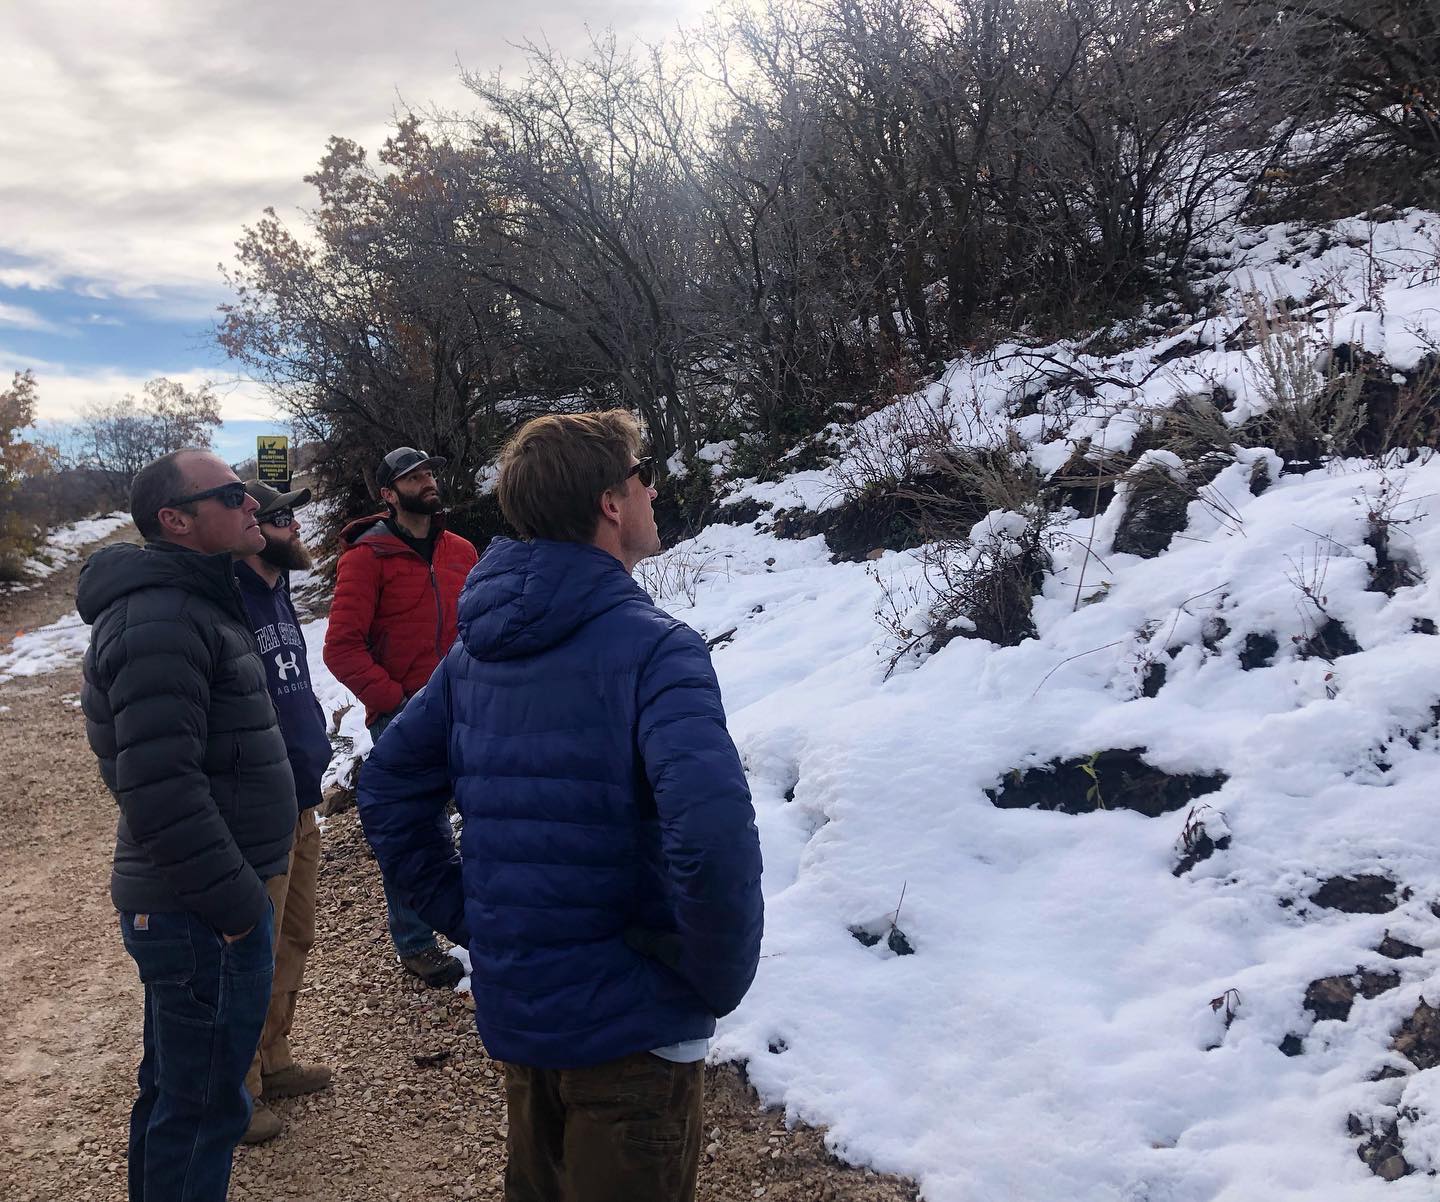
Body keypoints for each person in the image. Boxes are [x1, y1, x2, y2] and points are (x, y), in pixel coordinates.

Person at [357, 410, 764, 1202]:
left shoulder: (474, 654)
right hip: (634, 1026)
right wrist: (713, 981)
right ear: (611, 503)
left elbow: (386, 788)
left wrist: (480, 917)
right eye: (642, 474)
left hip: (526, 1014)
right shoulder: (657, 649)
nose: (653, 488)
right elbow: (711, 836)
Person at [78, 449, 297, 1202]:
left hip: (200, 904)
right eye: (232, 494)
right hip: (200, 912)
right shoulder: (160, 617)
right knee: (203, 1109)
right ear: (175, 520)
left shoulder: (193, 601)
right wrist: (238, 911)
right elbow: (157, 787)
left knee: (179, 1094)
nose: (250, 504)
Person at [322, 446, 477, 988]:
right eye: (413, 477)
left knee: (485, 814)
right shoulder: (366, 558)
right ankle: (415, 941)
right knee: (417, 831)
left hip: (466, 707)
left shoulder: (460, 550)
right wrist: (396, 701)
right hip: (403, 717)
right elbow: (340, 646)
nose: (428, 481)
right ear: (388, 495)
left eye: (430, 471)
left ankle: (478, 920)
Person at [233, 479, 336, 1144]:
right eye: (280, 518)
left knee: (294, 935)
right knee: (252, 949)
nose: (295, 526)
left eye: (294, 515)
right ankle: (235, 1093)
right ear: (250, 531)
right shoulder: (229, 597)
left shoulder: (276, 589)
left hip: (300, 796)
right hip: (258, 805)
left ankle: (274, 1058)